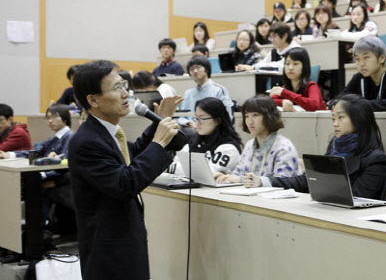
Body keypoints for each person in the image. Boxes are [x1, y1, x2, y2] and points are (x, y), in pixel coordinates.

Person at [68, 60, 181, 280]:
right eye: (116, 88)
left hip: (126, 240)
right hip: (109, 252)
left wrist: (160, 124)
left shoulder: (106, 132)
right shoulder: (87, 141)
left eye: (124, 85)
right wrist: (158, 143)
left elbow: (134, 155)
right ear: (93, 100)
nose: (125, 93)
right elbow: (125, 183)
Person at [245, 94, 386, 200]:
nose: (335, 124)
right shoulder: (334, 147)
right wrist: (263, 181)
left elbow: (359, 198)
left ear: (359, 120)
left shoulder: (376, 159)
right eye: (333, 118)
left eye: (341, 117)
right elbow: (304, 181)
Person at [0, 104, 75, 227]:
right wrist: (10, 155)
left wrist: (42, 175)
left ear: (65, 118)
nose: (49, 121)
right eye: (47, 118)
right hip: (51, 178)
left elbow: (66, 164)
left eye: (54, 117)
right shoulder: (54, 138)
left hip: (64, 182)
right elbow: (35, 152)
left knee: (36, 191)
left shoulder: (70, 138)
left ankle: (39, 230)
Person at [215, 95, 300, 183]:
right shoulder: (249, 145)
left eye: (255, 115)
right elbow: (238, 174)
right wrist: (225, 178)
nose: (250, 121)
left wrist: (241, 180)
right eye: (247, 116)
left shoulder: (283, 147)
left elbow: (281, 183)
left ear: (269, 116)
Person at [342, 36, 386, 111]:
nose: (361, 64)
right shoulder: (359, 77)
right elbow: (340, 101)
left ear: (381, 58)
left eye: (366, 57)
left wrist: (362, 105)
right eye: (357, 59)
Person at [185, 97, 243, 174]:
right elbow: (174, 163)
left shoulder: (228, 147)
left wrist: (176, 169)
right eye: (196, 118)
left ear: (217, 120)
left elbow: (206, 174)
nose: (197, 123)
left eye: (203, 118)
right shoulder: (194, 141)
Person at [178, 56, 233, 125]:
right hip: (191, 130)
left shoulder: (218, 90)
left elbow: (227, 117)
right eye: (191, 69)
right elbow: (182, 117)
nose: (195, 71)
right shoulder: (188, 93)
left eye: (198, 67)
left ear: (207, 69)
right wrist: (187, 123)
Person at [269, 48, 326, 112]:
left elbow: (313, 105)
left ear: (304, 67)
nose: (290, 68)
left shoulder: (311, 86)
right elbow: (270, 102)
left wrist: (287, 94)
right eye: (287, 64)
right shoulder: (286, 87)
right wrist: (282, 101)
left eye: (295, 64)